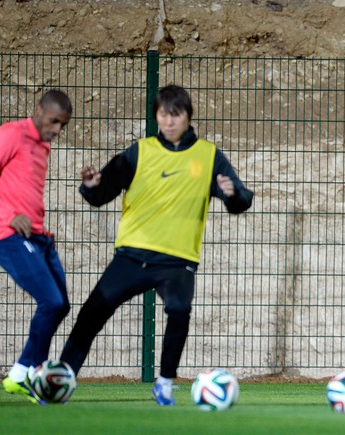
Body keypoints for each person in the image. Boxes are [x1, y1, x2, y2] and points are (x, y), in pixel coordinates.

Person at [59, 84, 253, 405]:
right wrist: (92, 185)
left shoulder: (209, 156)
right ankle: (62, 377)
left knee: (179, 311)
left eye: (176, 114)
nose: (170, 121)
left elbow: (241, 200)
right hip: (132, 254)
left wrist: (232, 193)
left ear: (189, 116)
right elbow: (102, 192)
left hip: (177, 259)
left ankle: (164, 382)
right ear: (156, 116)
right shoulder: (139, 152)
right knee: (91, 313)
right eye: (164, 114)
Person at [0, 90, 73, 404]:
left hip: (36, 236)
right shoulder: (11, 134)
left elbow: (25, 189)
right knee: (50, 300)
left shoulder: (43, 145)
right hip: (5, 233)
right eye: (54, 121)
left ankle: (19, 373)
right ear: (38, 110)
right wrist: (10, 214)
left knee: (61, 303)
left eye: (63, 125)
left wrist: (41, 230)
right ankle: (35, 373)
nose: (57, 130)